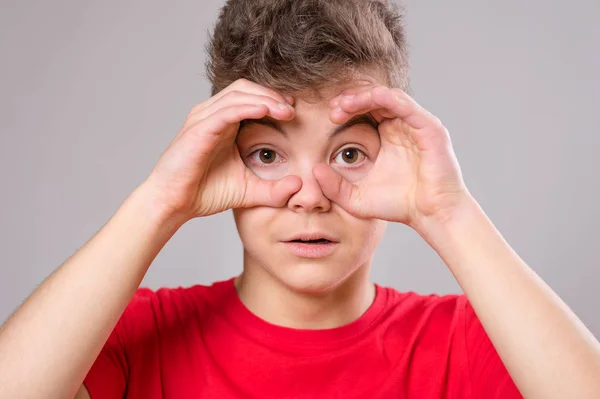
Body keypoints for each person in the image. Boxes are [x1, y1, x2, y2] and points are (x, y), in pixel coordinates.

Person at [1, 0, 600, 397]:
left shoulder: (468, 343)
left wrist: (448, 208)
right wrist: (160, 201)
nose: (309, 197)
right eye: (268, 155)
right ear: (221, 157)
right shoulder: (137, 335)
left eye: (348, 154)